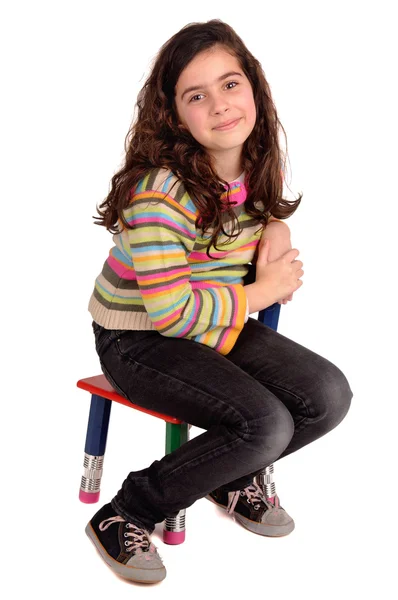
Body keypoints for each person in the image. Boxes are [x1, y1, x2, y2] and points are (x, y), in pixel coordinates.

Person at [85, 19, 353, 584]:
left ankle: (232, 474)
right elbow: (172, 315)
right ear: (175, 116)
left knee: (327, 396)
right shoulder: (159, 191)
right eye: (196, 95)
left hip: (213, 318)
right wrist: (262, 291)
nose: (221, 105)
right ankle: (128, 510)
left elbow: (256, 220)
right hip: (139, 337)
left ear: (253, 86)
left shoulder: (251, 162)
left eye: (230, 84)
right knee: (265, 423)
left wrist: (275, 231)